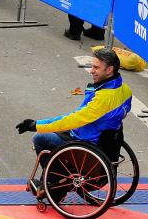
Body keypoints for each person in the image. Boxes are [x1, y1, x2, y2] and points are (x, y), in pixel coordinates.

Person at [16, 48, 132, 195]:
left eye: (96, 67)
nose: (91, 71)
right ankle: (54, 182)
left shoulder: (102, 99)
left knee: (40, 139)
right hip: (107, 141)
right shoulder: (125, 89)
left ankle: (54, 188)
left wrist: (37, 125)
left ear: (110, 70)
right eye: (92, 66)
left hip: (87, 143)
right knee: (56, 131)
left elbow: (73, 119)